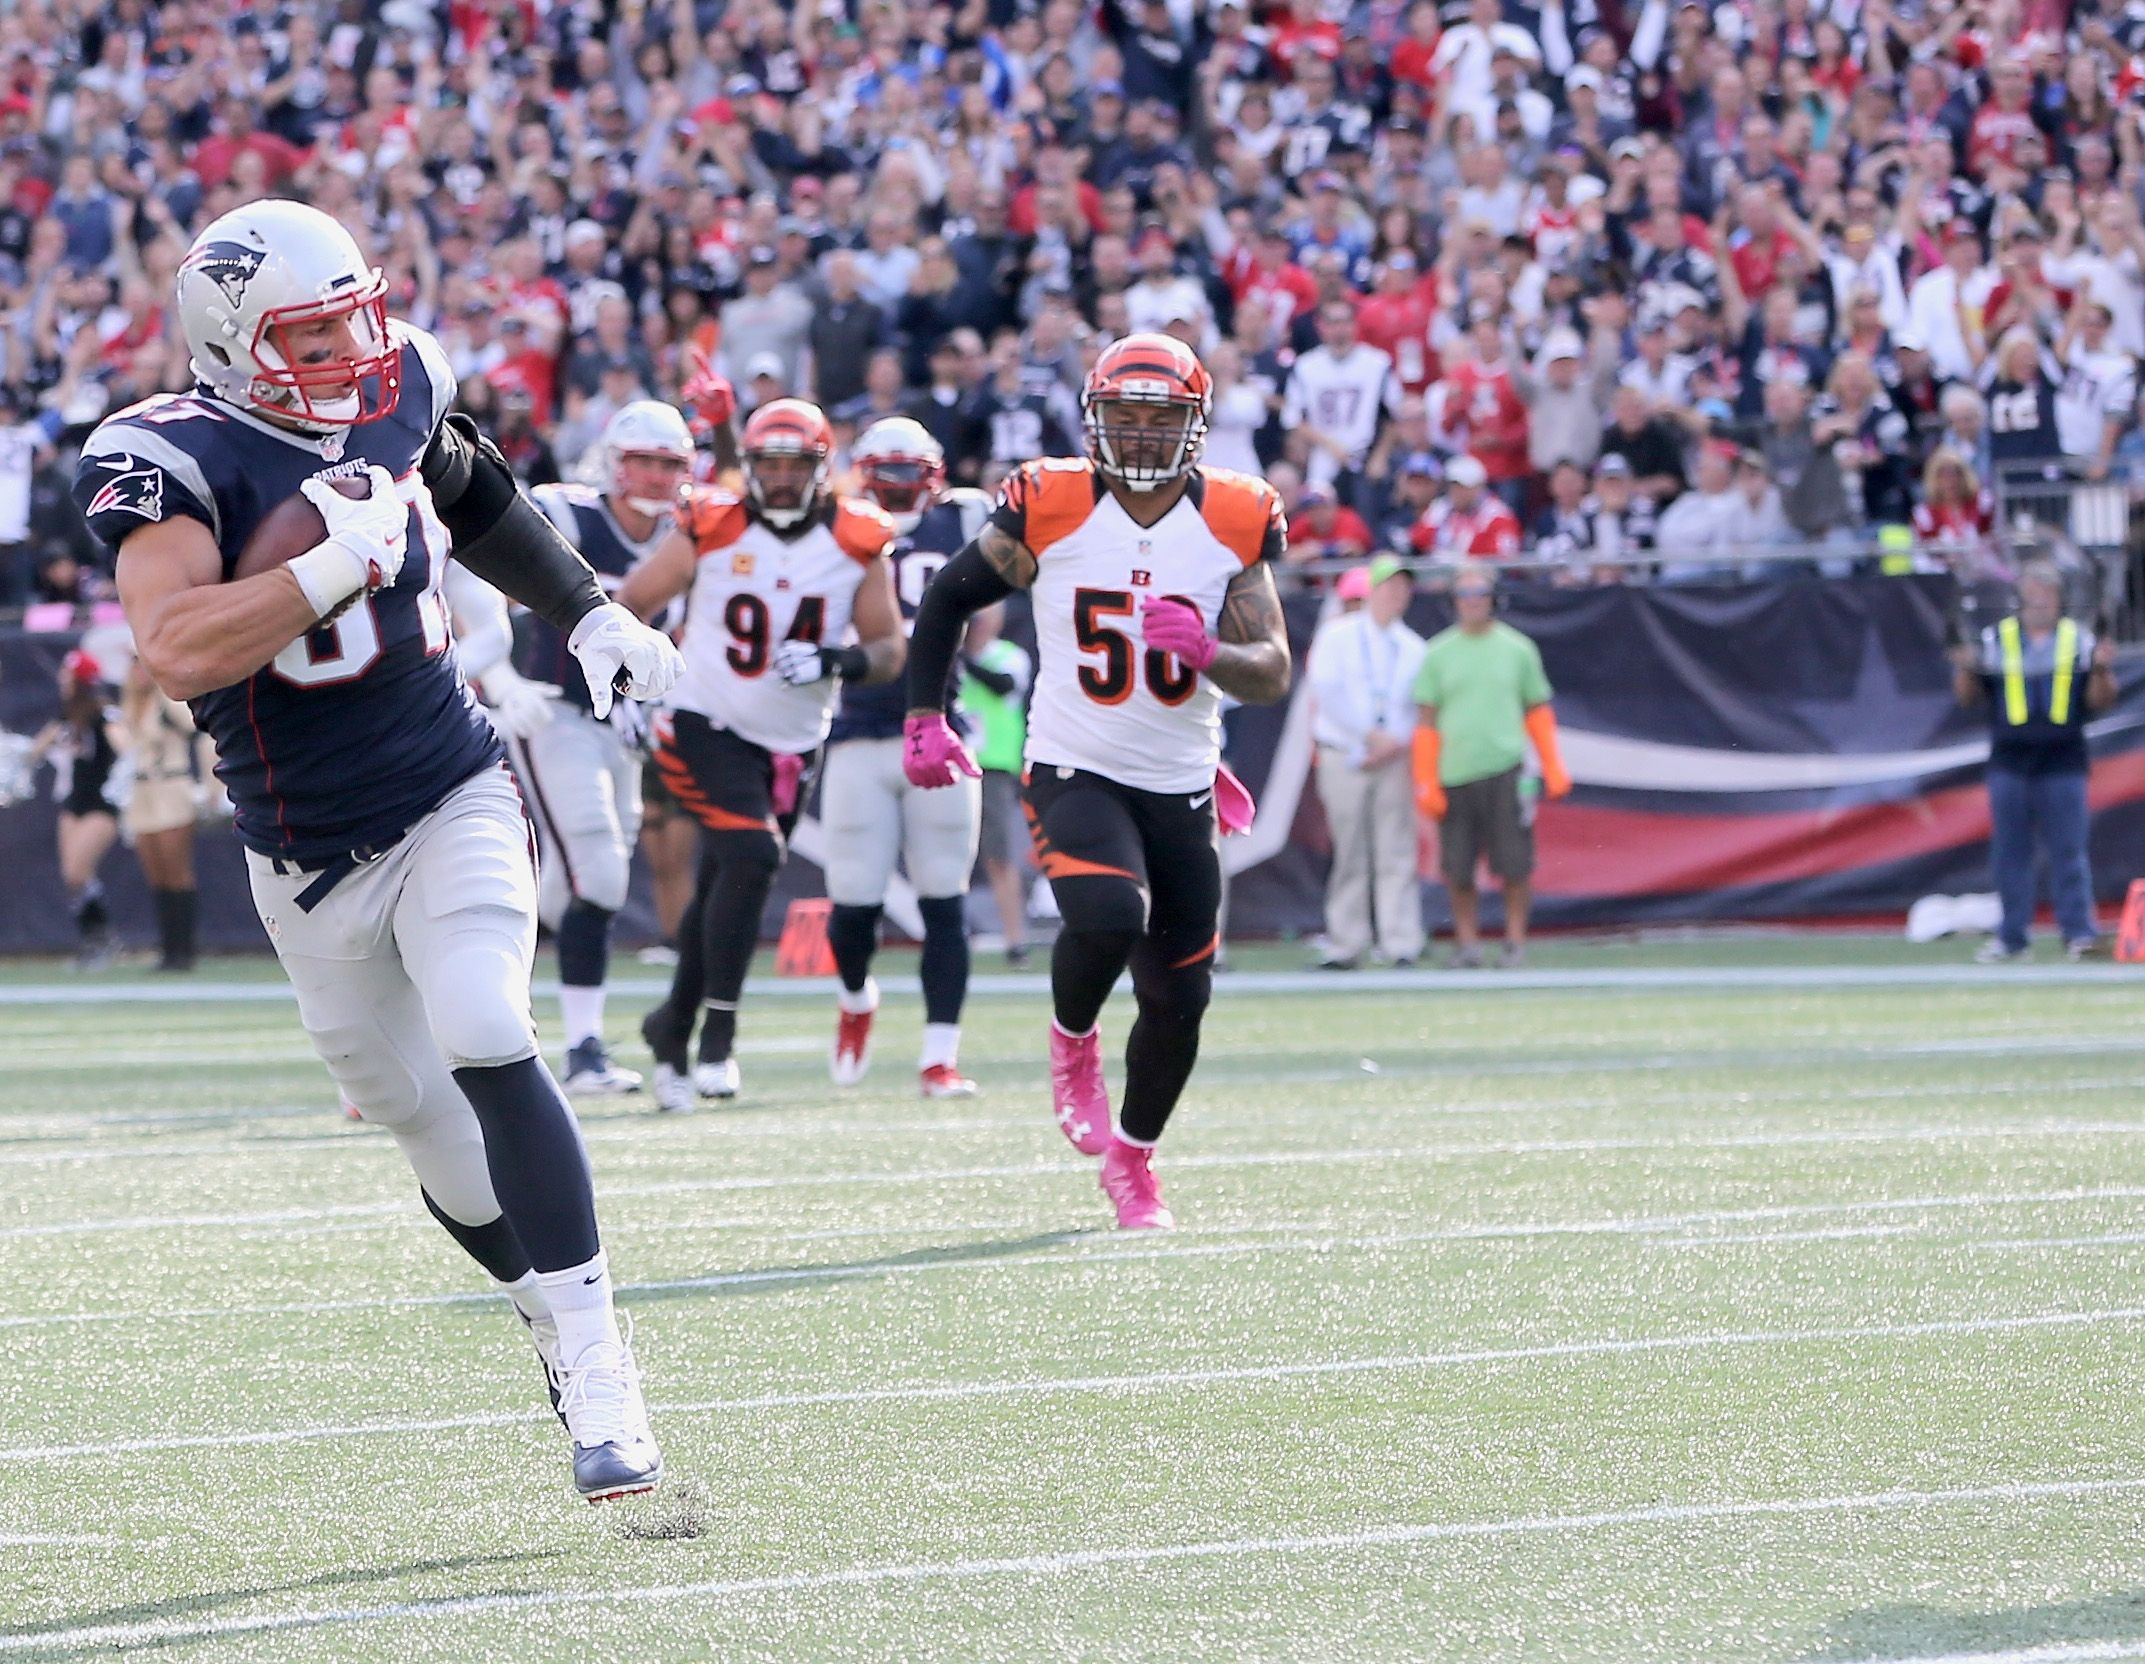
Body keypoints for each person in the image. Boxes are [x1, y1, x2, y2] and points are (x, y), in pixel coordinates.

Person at [74, 200, 684, 1502]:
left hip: (447, 783)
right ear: (233, 344)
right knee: (418, 1120)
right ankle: (541, 1312)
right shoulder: (164, 455)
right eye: (312, 332)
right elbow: (175, 650)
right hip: (300, 851)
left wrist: (586, 612)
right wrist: (323, 569)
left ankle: (599, 1357)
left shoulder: (397, 380)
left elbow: (467, 487)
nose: (353, 349)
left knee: (483, 1023)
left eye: (358, 313)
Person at [900, 333, 1293, 1230]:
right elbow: (946, 598)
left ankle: (1134, 1158)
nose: (1145, 436)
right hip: (1074, 763)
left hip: (1182, 778)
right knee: (1110, 914)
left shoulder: (1234, 514)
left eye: (1163, 419)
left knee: (1180, 995)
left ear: (1195, 426)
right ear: (1094, 418)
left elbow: (1270, 668)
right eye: (1126, 416)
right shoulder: (1050, 501)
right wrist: (928, 713)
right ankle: (1072, 1041)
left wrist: (1213, 653)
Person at [619, 398, 905, 1110]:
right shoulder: (711, 523)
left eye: (794, 465)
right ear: (747, 466)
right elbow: (634, 599)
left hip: (792, 742)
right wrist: (627, 683)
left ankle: (671, 1025)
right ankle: (718, 1030)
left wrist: (837, 660)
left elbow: (890, 649)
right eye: (767, 465)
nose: (779, 479)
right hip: (702, 719)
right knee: (753, 856)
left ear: (821, 469)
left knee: (725, 881)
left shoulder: (857, 537)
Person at [494, 400, 695, 1096]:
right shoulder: (566, 514)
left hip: (625, 727)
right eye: (640, 460)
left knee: (567, 886)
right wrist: (498, 675)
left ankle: (510, 1014)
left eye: (667, 463)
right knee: (599, 874)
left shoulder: (687, 535)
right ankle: (582, 1052)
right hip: (553, 712)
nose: (652, 476)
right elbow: (490, 577)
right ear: (613, 462)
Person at [820, 417, 992, 1096]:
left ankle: (938, 1055)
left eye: (906, 476)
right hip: (858, 732)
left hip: (939, 732)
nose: (894, 491)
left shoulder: (967, 518)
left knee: (945, 900)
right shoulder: (832, 528)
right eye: (883, 477)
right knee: (853, 905)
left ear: (935, 476)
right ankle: (857, 997)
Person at [1951, 560, 2117, 963]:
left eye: (2048, 592)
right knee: (2010, 852)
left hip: (2063, 760)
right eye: (2033, 592)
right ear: (2020, 597)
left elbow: (2100, 701)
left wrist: (2101, 670)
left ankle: (2078, 933)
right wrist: (1965, 667)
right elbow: (1969, 699)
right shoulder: (1996, 640)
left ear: (2060, 599)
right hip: (2010, 761)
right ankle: (2012, 937)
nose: (2040, 600)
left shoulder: (2076, 640)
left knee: (2069, 851)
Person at [1411, 561, 1571, 968]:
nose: (1472, 601)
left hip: (1505, 768)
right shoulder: (1437, 653)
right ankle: (1469, 944)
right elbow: (1427, 721)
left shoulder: (1518, 649)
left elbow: (1537, 710)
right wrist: (1426, 779)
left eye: (1479, 592)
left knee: (1515, 863)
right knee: (1458, 868)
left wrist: (1552, 764)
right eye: (1463, 594)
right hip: (1454, 772)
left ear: (1494, 598)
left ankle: (1515, 941)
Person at [1310, 555, 1426, 969]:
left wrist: (1393, 742)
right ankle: (1346, 942)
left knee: (1395, 848)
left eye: (1403, 588)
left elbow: (1418, 707)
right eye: (1389, 586)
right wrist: (1368, 735)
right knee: (1350, 850)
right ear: (1371, 591)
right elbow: (1327, 691)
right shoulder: (1338, 636)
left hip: (1392, 756)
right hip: (1345, 753)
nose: (1396, 595)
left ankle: (1401, 941)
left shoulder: (1413, 646)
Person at [120, 653, 218, 972]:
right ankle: (167, 948)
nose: (139, 673)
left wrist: (210, 785)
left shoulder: (167, 701)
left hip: (171, 788)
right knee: (156, 874)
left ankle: (184, 951)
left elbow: (200, 734)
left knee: (176, 871)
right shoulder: (130, 705)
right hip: (141, 791)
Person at [30, 648, 125, 969]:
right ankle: (93, 939)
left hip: (101, 801)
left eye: (67, 675)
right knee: (73, 879)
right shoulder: (67, 715)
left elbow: (127, 748)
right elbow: (36, 751)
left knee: (77, 872)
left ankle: (103, 939)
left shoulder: (103, 714)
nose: (61, 680)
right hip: (73, 802)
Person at [960, 603, 1035, 968]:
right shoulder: (951, 658)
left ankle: (1015, 939)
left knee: (999, 856)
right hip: (953, 761)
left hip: (992, 767)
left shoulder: (1009, 656)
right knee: (949, 855)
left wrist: (960, 657)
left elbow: (1001, 685)